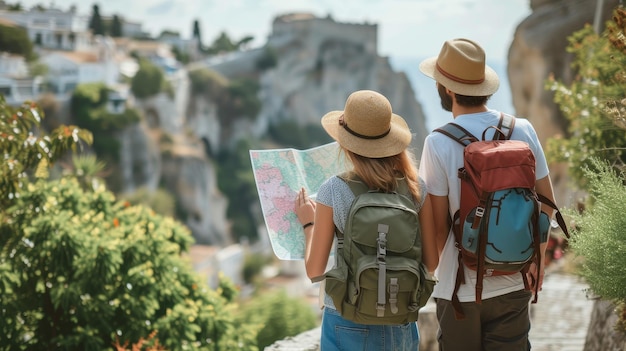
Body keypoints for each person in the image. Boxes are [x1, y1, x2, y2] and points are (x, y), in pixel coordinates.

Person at [417, 38, 558, 350]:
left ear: (448, 89)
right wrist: (538, 261)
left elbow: (439, 230)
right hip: (514, 282)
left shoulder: (438, 143)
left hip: (459, 292)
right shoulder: (522, 129)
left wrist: (422, 275)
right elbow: (547, 205)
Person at [294, 89, 439, 350]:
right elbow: (432, 261)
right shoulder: (418, 188)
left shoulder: (333, 190)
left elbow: (315, 271)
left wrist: (309, 225)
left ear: (346, 143)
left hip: (346, 318)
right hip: (400, 317)